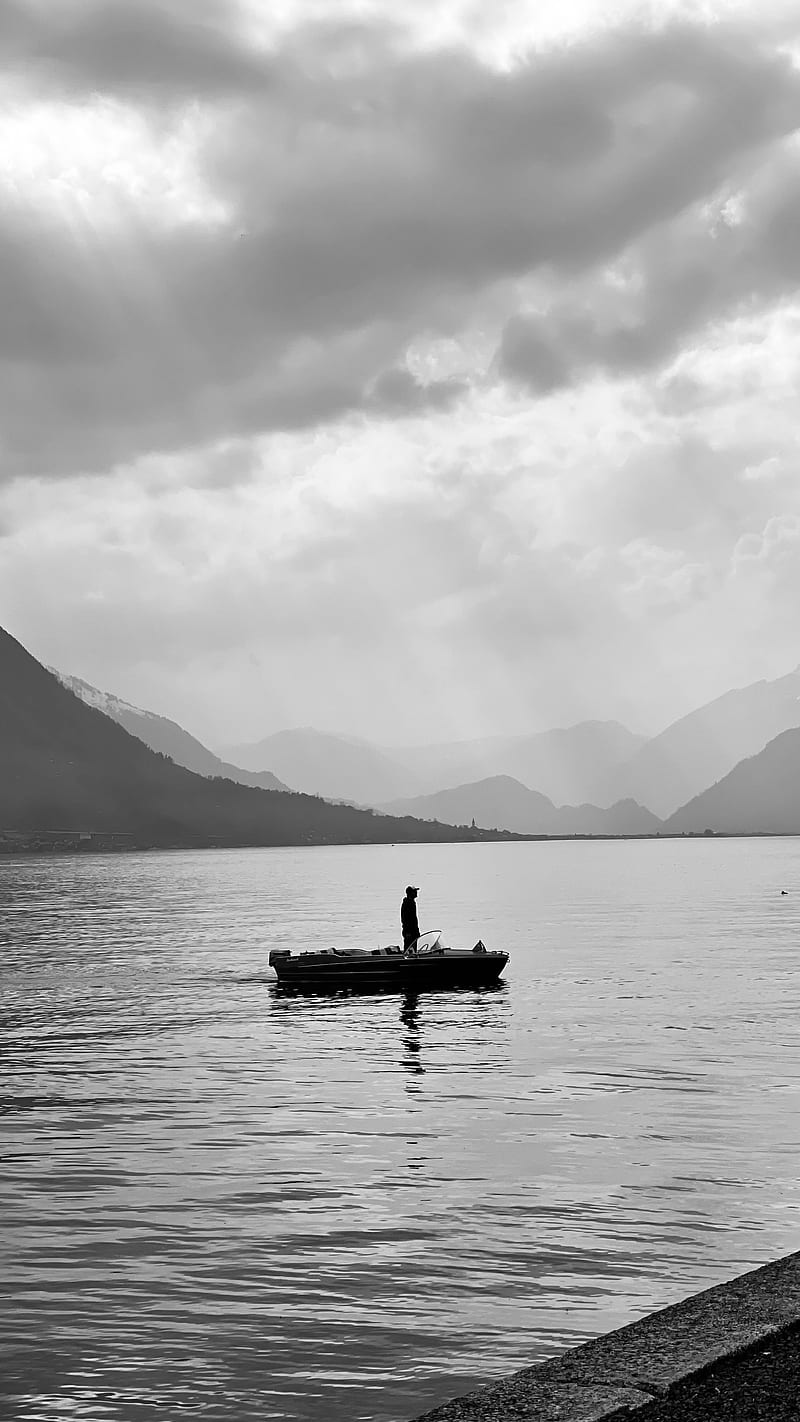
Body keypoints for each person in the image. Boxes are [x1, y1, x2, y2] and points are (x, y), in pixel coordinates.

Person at [401, 885, 420, 949]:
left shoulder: (412, 902)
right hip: (409, 932)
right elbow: (405, 919)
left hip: (414, 931)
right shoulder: (407, 903)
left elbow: (414, 919)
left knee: (414, 948)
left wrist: (417, 931)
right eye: (414, 891)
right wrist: (408, 932)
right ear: (410, 893)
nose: (416, 893)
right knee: (408, 947)